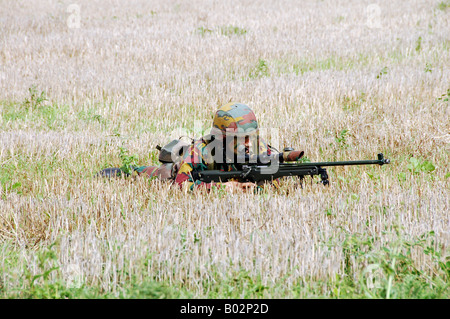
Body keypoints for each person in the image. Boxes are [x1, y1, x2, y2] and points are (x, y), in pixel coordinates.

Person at [98, 102, 304, 191]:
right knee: (153, 174)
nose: (249, 143)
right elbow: (181, 185)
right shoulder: (202, 151)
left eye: (251, 137)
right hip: (175, 173)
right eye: (241, 138)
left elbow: (276, 169)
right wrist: (225, 189)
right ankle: (127, 171)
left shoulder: (257, 148)